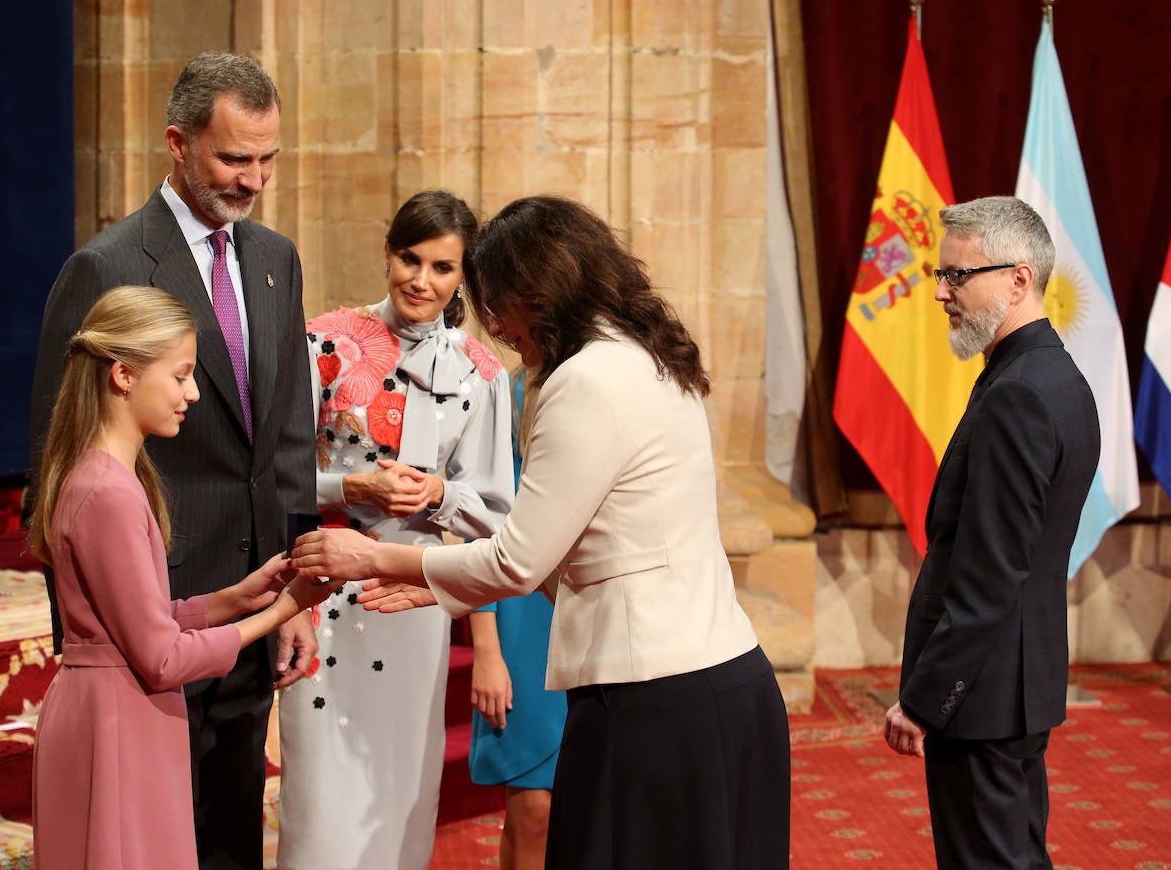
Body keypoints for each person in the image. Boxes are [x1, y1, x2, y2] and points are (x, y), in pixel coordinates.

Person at [291, 195, 792, 869]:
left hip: (653, 700)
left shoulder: (583, 380)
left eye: (495, 300)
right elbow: (595, 552)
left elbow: (519, 560)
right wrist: (442, 588)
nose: (495, 325)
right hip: (719, 680)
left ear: (541, 288)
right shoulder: (646, 355)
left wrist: (377, 556)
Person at [27, 52, 317, 870]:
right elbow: (53, 464)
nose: (254, 179)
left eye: (268, 159)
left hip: (238, 610)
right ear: (177, 144)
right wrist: (95, 647)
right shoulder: (106, 266)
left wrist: (292, 587)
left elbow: (289, 437)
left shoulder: (275, 258)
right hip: (143, 630)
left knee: (229, 835)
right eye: (234, 158)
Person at [27, 286, 337, 870]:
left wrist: (235, 599)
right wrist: (277, 613)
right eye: (181, 375)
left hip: (113, 713)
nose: (192, 393)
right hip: (117, 724)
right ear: (123, 375)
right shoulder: (109, 493)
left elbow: (134, 623)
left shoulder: (102, 476)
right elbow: (162, 658)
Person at [274, 189, 515, 870]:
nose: (421, 279)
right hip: (316, 590)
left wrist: (437, 494)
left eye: (442, 268)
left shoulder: (482, 371)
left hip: (413, 598)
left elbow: (496, 510)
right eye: (410, 258)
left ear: (462, 277)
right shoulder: (323, 341)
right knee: (319, 802)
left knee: (401, 795)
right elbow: (274, 476)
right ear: (388, 251)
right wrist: (351, 485)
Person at [882, 196, 1101, 868]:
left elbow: (990, 571)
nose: (942, 292)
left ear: (1019, 279)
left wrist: (923, 700)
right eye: (939, 275)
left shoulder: (1020, 395)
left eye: (958, 276)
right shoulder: (1048, 376)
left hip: (982, 692)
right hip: (1011, 684)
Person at [466, 363, 567, 870]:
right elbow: (483, 521)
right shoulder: (509, 389)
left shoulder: (618, 374)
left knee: (593, 806)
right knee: (534, 808)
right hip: (525, 613)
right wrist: (487, 650)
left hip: (597, 606)